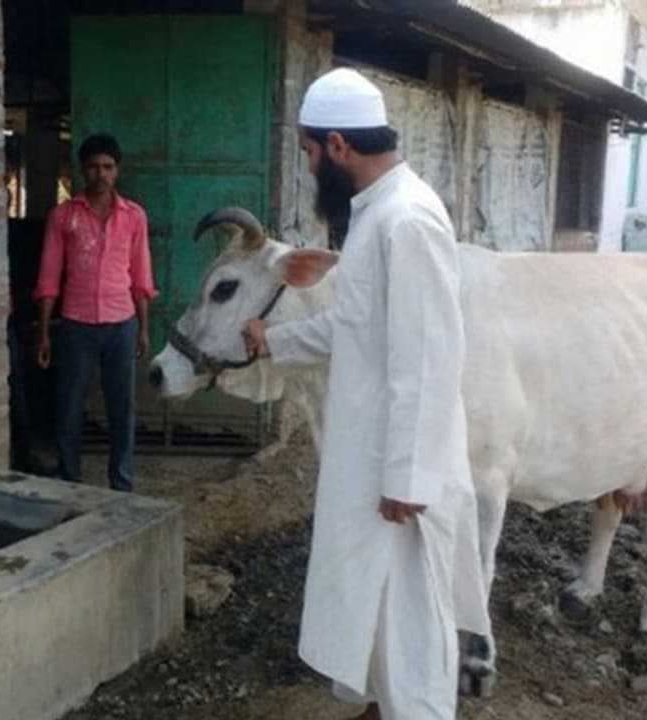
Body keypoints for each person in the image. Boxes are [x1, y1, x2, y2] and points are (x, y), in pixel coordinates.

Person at [242, 68, 489, 720]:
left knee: (412, 619)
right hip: (369, 459)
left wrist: (408, 475)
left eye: (310, 153)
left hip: (401, 471)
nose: (312, 166)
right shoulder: (377, 215)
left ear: (338, 145)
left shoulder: (406, 221)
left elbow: (429, 358)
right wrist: (276, 340)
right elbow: (354, 324)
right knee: (374, 603)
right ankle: (383, 708)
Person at [33, 133, 158, 491]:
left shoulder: (134, 217)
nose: (100, 174)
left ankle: (121, 482)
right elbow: (48, 277)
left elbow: (142, 275)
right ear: (82, 170)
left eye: (107, 167)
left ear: (117, 171)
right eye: (93, 167)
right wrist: (44, 332)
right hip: (76, 324)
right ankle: (69, 479)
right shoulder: (63, 217)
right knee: (69, 405)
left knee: (122, 407)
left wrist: (144, 328)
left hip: (122, 323)